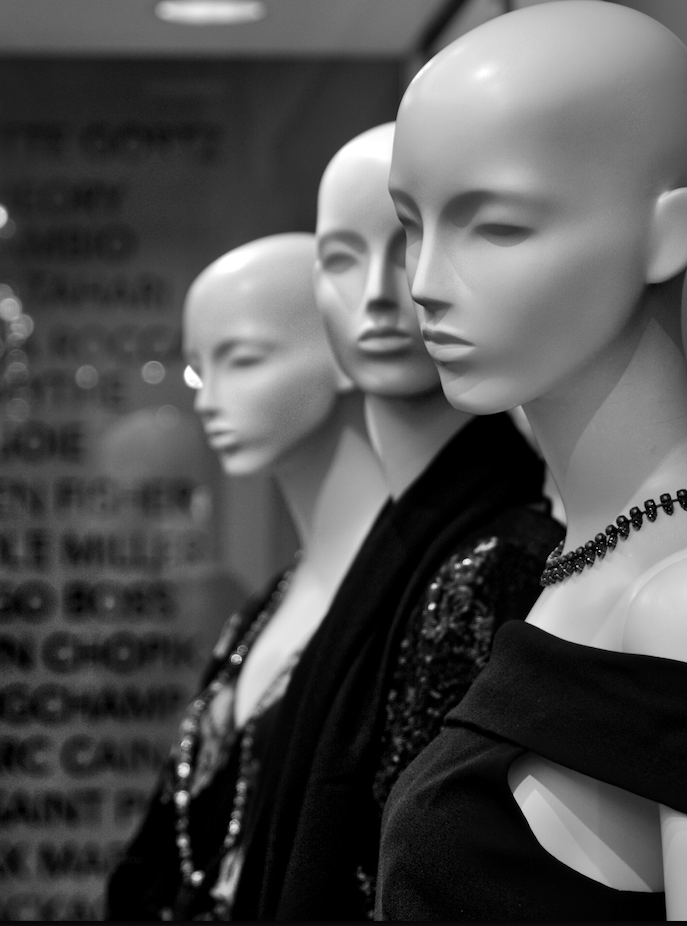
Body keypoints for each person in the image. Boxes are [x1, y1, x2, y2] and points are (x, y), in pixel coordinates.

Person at [378, 1, 687, 920]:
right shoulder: (594, 553)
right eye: (410, 225)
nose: (424, 281)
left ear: (666, 233)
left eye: (496, 227)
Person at [225, 125, 564, 920]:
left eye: (405, 245)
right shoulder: (382, 557)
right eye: (341, 256)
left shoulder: (498, 564)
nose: (379, 291)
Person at [108, 235, 388, 921]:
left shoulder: (428, 591)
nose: (207, 400)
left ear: (348, 350)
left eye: (243, 359)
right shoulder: (267, 605)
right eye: (200, 369)